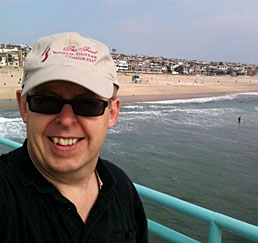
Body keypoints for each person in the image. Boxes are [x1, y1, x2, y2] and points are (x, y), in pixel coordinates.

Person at [0, 32, 148, 242]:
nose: (66, 120)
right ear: (24, 107)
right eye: (47, 101)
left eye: (87, 104)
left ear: (112, 113)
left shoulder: (121, 187)